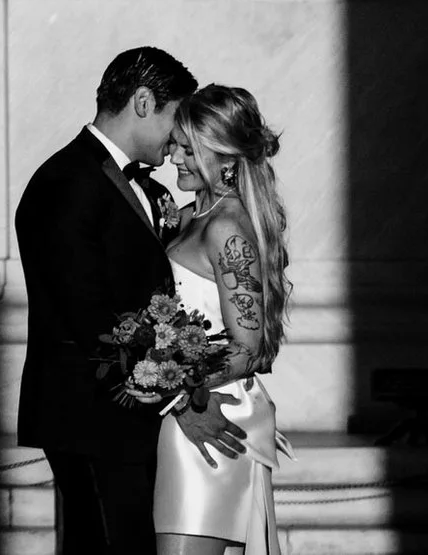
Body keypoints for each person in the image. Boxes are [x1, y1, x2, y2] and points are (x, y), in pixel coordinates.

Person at [17, 47, 245, 555]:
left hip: (128, 420)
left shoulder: (140, 187)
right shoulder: (67, 182)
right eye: (175, 118)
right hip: (92, 417)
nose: (177, 140)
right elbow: (90, 315)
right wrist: (180, 400)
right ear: (143, 102)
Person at [155, 85, 296, 554]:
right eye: (177, 143)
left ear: (225, 156)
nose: (174, 157)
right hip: (185, 411)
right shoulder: (196, 214)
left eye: (188, 148)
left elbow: (249, 346)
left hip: (209, 413)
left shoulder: (225, 227)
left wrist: (171, 383)